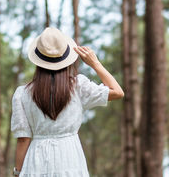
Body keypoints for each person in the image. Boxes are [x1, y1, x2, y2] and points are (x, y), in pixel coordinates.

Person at [11, 27, 124, 176]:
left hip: (36, 163)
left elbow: (23, 140)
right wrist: (95, 63)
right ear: (66, 59)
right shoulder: (78, 87)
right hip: (70, 160)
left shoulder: (22, 94)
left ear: (38, 61)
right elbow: (118, 92)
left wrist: (18, 172)